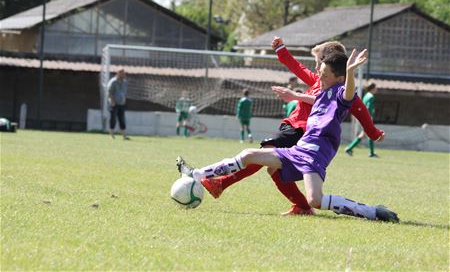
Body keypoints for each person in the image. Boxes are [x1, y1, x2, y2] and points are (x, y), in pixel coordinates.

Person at [177, 49, 399, 223]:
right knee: (248, 154)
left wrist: (350, 72)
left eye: (323, 74)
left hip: (316, 154)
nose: (318, 78)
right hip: (299, 148)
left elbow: (349, 93)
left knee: (316, 200)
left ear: (339, 77)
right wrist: (295, 95)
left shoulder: (342, 93)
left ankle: (373, 212)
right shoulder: (323, 91)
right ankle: (196, 174)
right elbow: (314, 98)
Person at [345, 83, 379, 157]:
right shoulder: (371, 96)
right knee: (370, 133)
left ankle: (349, 148)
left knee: (364, 134)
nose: (377, 89)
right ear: (372, 88)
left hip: (363, 117)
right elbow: (368, 107)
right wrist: (369, 117)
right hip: (367, 118)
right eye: (376, 88)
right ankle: (371, 153)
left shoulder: (366, 95)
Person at [107, 68, 129, 140]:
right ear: (118, 73)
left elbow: (124, 92)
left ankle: (124, 136)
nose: (124, 75)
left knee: (122, 119)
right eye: (122, 73)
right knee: (113, 119)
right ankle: (111, 135)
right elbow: (109, 93)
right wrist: (113, 102)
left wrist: (124, 99)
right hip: (114, 103)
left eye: (124, 73)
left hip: (121, 103)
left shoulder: (125, 82)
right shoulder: (113, 82)